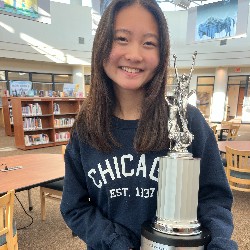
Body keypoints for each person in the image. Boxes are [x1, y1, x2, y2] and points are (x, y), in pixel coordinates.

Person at [60, 1, 238, 249]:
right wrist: (115, 242)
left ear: (162, 53)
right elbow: (75, 207)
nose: (134, 54)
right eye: (121, 38)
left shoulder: (187, 121)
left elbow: (214, 197)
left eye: (149, 43)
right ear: (101, 45)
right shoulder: (86, 128)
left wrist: (218, 243)